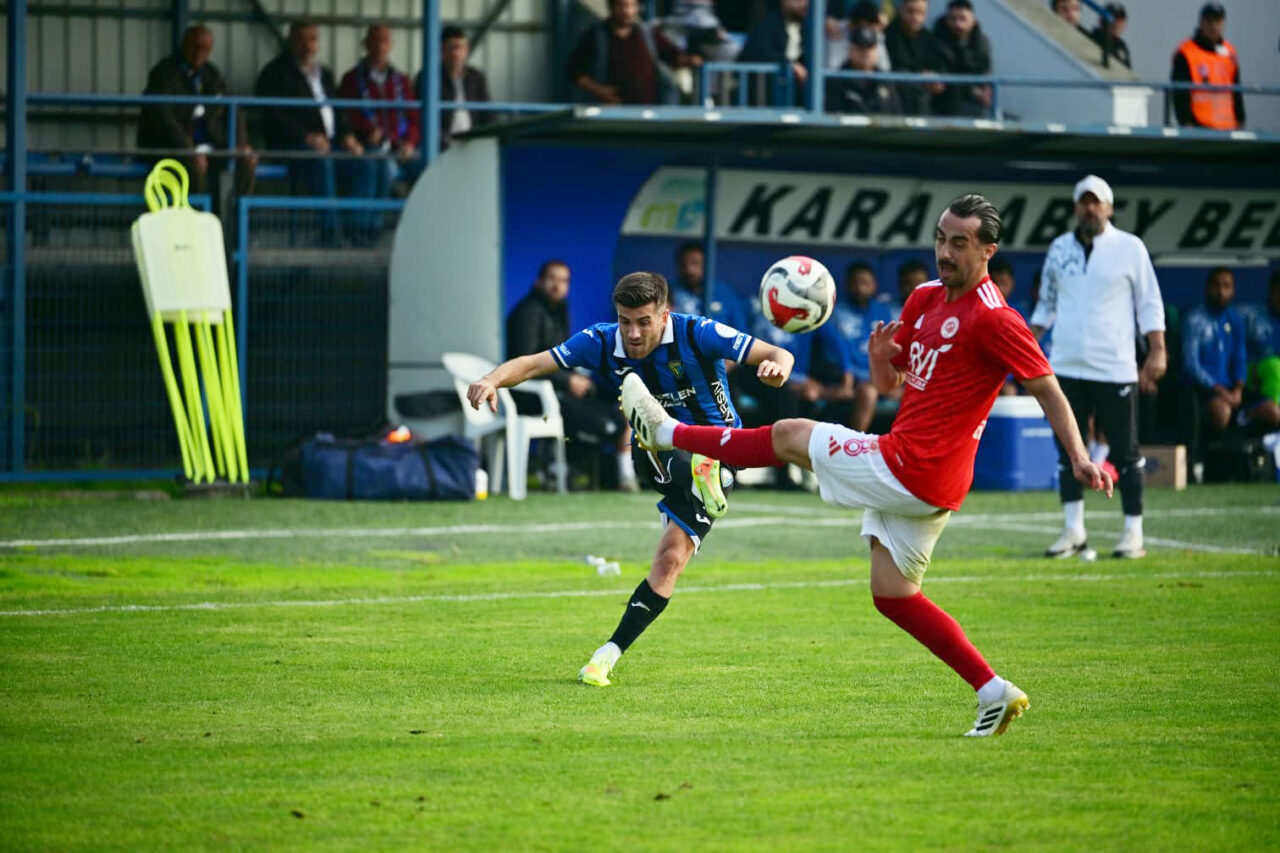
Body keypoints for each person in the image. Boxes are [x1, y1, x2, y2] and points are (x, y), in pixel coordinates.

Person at [620, 194, 1112, 737]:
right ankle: (994, 691)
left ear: (988, 251)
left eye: (959, 243)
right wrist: (882, 361)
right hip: (923, 473)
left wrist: (1080, 456)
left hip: (915, 466)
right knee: (893, 596)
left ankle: (665, 431)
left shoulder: (995, 319)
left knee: (788, 434)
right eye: (941, 238)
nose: (944, 251)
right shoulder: (925, 298)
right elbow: (890, 386)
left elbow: (1047, 388)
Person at [467, 272, 796, 687]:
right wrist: (491, 379)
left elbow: (778, 353)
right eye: (625, 321)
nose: (633, 333)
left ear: (665, 315)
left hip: (720, 450)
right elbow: (535, 362)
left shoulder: (699, 332)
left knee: (670, 551)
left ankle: (606, 655)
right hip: (662, 454)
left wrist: (776, 369)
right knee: (665, 522)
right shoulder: (603, 340)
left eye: (643, 321)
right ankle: (607, 654)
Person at [1030, 175, 1165, 559]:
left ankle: (1132, 533)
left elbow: (1149, 303)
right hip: (1066, 365)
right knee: (1068, 451)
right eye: (1083, 202)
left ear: (1108, 207)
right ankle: (1074, 531)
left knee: (1125, 451)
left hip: (1115, 366)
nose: (1090, 208)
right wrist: (1026, 341)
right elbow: (1047, 305)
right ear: (1076, 207)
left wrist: (1157, 350)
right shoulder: (1059, 248)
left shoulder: (1130, 248)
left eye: (1097, 202)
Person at [505, 260, 637, 491]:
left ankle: (611, 472)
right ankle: (555, 469)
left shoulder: (560, 310)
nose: (558, 285)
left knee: (617, 406)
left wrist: (577, 377)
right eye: (552, 279)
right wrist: (567, 381)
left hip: (560, 390)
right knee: (601, 423)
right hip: (531, 395)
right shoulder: (527, 312)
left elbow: (565, 357)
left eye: (564, 280)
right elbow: (523, 363)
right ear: (539, 281)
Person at [137, 25, 257, 204]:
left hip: (210, 144)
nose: (199, 53)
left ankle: (233, 214)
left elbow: (234, 109)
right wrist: (187, 147)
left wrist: (240, 143)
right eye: (195, 47)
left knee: (247, 160)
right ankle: (198, 219)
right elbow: (163, 118)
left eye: (205, 49)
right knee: (195, 166)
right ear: (184, 45)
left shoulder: (211, 74)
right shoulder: (165, 73)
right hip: (173, 147)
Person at [254, 22, 363, 204]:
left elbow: (338, 110)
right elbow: (274, 116)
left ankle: (362, 229)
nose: (307, 45)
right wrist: (307, 137)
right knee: (321, 161)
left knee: (366, 163)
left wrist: (347, 135)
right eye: (301, 39)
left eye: (312, 39)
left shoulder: (324, 74)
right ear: (290, 41)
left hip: (331, 144)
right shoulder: (275, 73)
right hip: (293, 145)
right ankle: (331, 230)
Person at [338, 25, 418, 240]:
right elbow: (346, 114)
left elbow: (413, 118)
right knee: (377, 165)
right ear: (366, 45)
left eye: (384, 41)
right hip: (369, 145)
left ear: (391, 46)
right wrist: (365, 132)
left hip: (401, 146)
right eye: (375, 41)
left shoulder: (401, 81)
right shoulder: (352, 79)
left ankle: (423, 232)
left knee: (428, 165)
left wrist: (410, 142)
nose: (380, 46)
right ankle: (365, 228)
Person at [568, 0, 696, 105]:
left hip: (646, 113)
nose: (627, 11)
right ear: (611, 7)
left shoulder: (647, 34)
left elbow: (673, 55)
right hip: (610, 114)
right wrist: (599, 91)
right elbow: (575, 72)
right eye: (622, 6)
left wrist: (691, 59)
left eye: (631, 6)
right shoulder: (596, 36)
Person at [1182, 267, 1248, 462]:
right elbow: (1191, 365)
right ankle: (1206, 463)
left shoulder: (1235, 319)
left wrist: (1238, 389)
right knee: (1222, 411)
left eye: (1226, 286)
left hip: (1230, 389)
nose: (1221, 291)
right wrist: (1222, 392)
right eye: (1217, 286)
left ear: (1233, 290)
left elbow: (1240, 358)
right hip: (1201, 389)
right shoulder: (1195, 318)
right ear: (1208, 288)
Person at [831, 261, 895, 430]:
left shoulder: (883, 311)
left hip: (879, 377)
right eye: (855, 283)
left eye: (865, 283)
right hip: (849, 378)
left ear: (874, 285)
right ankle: (855, 446)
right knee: (868, 392)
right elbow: (836, 351)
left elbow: (891, 349)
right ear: (847, 285)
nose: (860, 288)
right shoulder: (838, 312)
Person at [416, 25, 494, 150]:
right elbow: (420, 117)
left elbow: (488, 114)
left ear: (466, 50)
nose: (456, 53)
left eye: (460, 47)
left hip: (473, 141)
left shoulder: (476, 77)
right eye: (451, 48)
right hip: (441, 143)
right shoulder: (428, 76)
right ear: (442, 50)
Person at [1171, 2, 1244, 130]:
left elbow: (1236, 90)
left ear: (1223, 23)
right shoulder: (1186, 53)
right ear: (1201, 22)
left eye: (1218, 21)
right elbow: (1179, 94)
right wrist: (1186, 123)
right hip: (1199, 127)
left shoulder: (1230, 52)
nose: (1213, 26)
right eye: (1209, 21)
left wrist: (1240, 120)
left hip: (1228, 127)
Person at [738, 0, 811, 106]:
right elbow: (760, 53)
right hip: (765, 93)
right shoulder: (768, 23)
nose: (803, 5)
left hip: (797, 96)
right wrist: (790, 65)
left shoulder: (809, 29)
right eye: (798, 1)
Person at [883, 0, 945, 116]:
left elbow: (938, 66)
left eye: (920, 13)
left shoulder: (930, 39)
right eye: (910, 11)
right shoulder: (888, 35)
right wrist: (919, 77)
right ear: (900, 10)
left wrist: (935, 78)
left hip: (924, 100)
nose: (915, 17)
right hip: (897, 99)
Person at [931, 0, 992, 118]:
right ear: (946, 20)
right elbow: (943, 77)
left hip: (975, 105)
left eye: (963, 19)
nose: (958, 24)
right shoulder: (937, 42)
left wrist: (985, 92)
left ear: (973, 20)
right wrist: (972, 91)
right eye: (953, 19)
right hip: (944, 106)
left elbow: (986, 74)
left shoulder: (982, 44)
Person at [668, 241, 748, 330]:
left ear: (706, 264)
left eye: (695, 263)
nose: (689, 269)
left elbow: (740, 330)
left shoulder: (724, 293)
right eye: (683, 264)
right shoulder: (669, 291)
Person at [825, 26, 903, 116]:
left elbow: (897, 115)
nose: (866, 52)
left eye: (870, 47)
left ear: (876, 51)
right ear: (851, 50)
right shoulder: (837, 80)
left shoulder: (886, 81)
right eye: (860, 48)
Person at [1239, 272, 1280, 429]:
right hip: (1252, 373)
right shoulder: (1250, 316)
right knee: (1274, 366)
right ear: (1271, 292)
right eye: (1278, 292)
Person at [1090, 3, 1131, 69]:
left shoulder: (1122, 46)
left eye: (1122, 20)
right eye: (1115, 19)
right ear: (1102, 20)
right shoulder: (1094, 37)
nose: (1119, 24)